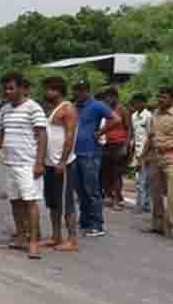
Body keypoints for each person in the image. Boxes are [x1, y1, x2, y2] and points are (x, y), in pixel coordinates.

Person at [0, 72, 48, 259]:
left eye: (11, 88)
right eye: (5, 88)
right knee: (15, 202)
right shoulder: (4, 110)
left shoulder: (33, 108)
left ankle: (33, 242)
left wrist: (39, 162)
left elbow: (42, 135)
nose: (8, 91)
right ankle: (20, 236)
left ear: (21, 88)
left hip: (28, 164)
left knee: (30, 202)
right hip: (9, 163)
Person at [139, 86, 173, 240]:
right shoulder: (154, 115)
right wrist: (142, 156)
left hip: (172, 156)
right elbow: (150, 137)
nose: (160, 99)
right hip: (155, 157)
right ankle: (158, 225)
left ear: (172, 99)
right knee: (155, 192)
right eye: (159, 96)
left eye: (164, 97)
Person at [70, 81, 114, 238]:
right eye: (76, 90)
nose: (78, 93)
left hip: (91, 153)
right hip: (75, 153)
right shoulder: (74, 106)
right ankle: (85, 221)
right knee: (80, 191)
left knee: (92, 190)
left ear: (87, 91)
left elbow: (115, 119)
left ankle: (97, 224)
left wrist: (100, 132)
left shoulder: (97, 106)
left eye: (81, 90)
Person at [42, 76, 78, 251]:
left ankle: (72, 239)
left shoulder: (68, 108)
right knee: (53, 202)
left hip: (62, 164)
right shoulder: (53, 109)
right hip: (50, 163)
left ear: (57, 90)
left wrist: (63, 161)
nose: (46, 93)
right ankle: (56, 236)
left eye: (49, 89)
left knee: (67, 202)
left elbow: (70, 137)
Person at [99, 89, 129, 211]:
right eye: (106, 98)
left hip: (119, 143)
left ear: (115, 97)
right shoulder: (106, 109)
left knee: (117, 173)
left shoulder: (122, 110)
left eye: (109, 97)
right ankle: (108, 196)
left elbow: (129, 129)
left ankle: (117, 199)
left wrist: (126, 146)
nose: (107, 100)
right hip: (106, 143)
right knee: (106, 171)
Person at [130, 94, 152, 214]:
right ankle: (142, 203)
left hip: (146, 151)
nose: (136, 105)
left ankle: (144, 204)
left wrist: (147, 153)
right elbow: (134, 134)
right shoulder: (133, 116)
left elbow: (150, 136)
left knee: (144, 180)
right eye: (134, 103)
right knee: (139, 179)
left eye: (138, 102)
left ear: (144, 103)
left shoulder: (148, 116)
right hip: (137, 151)